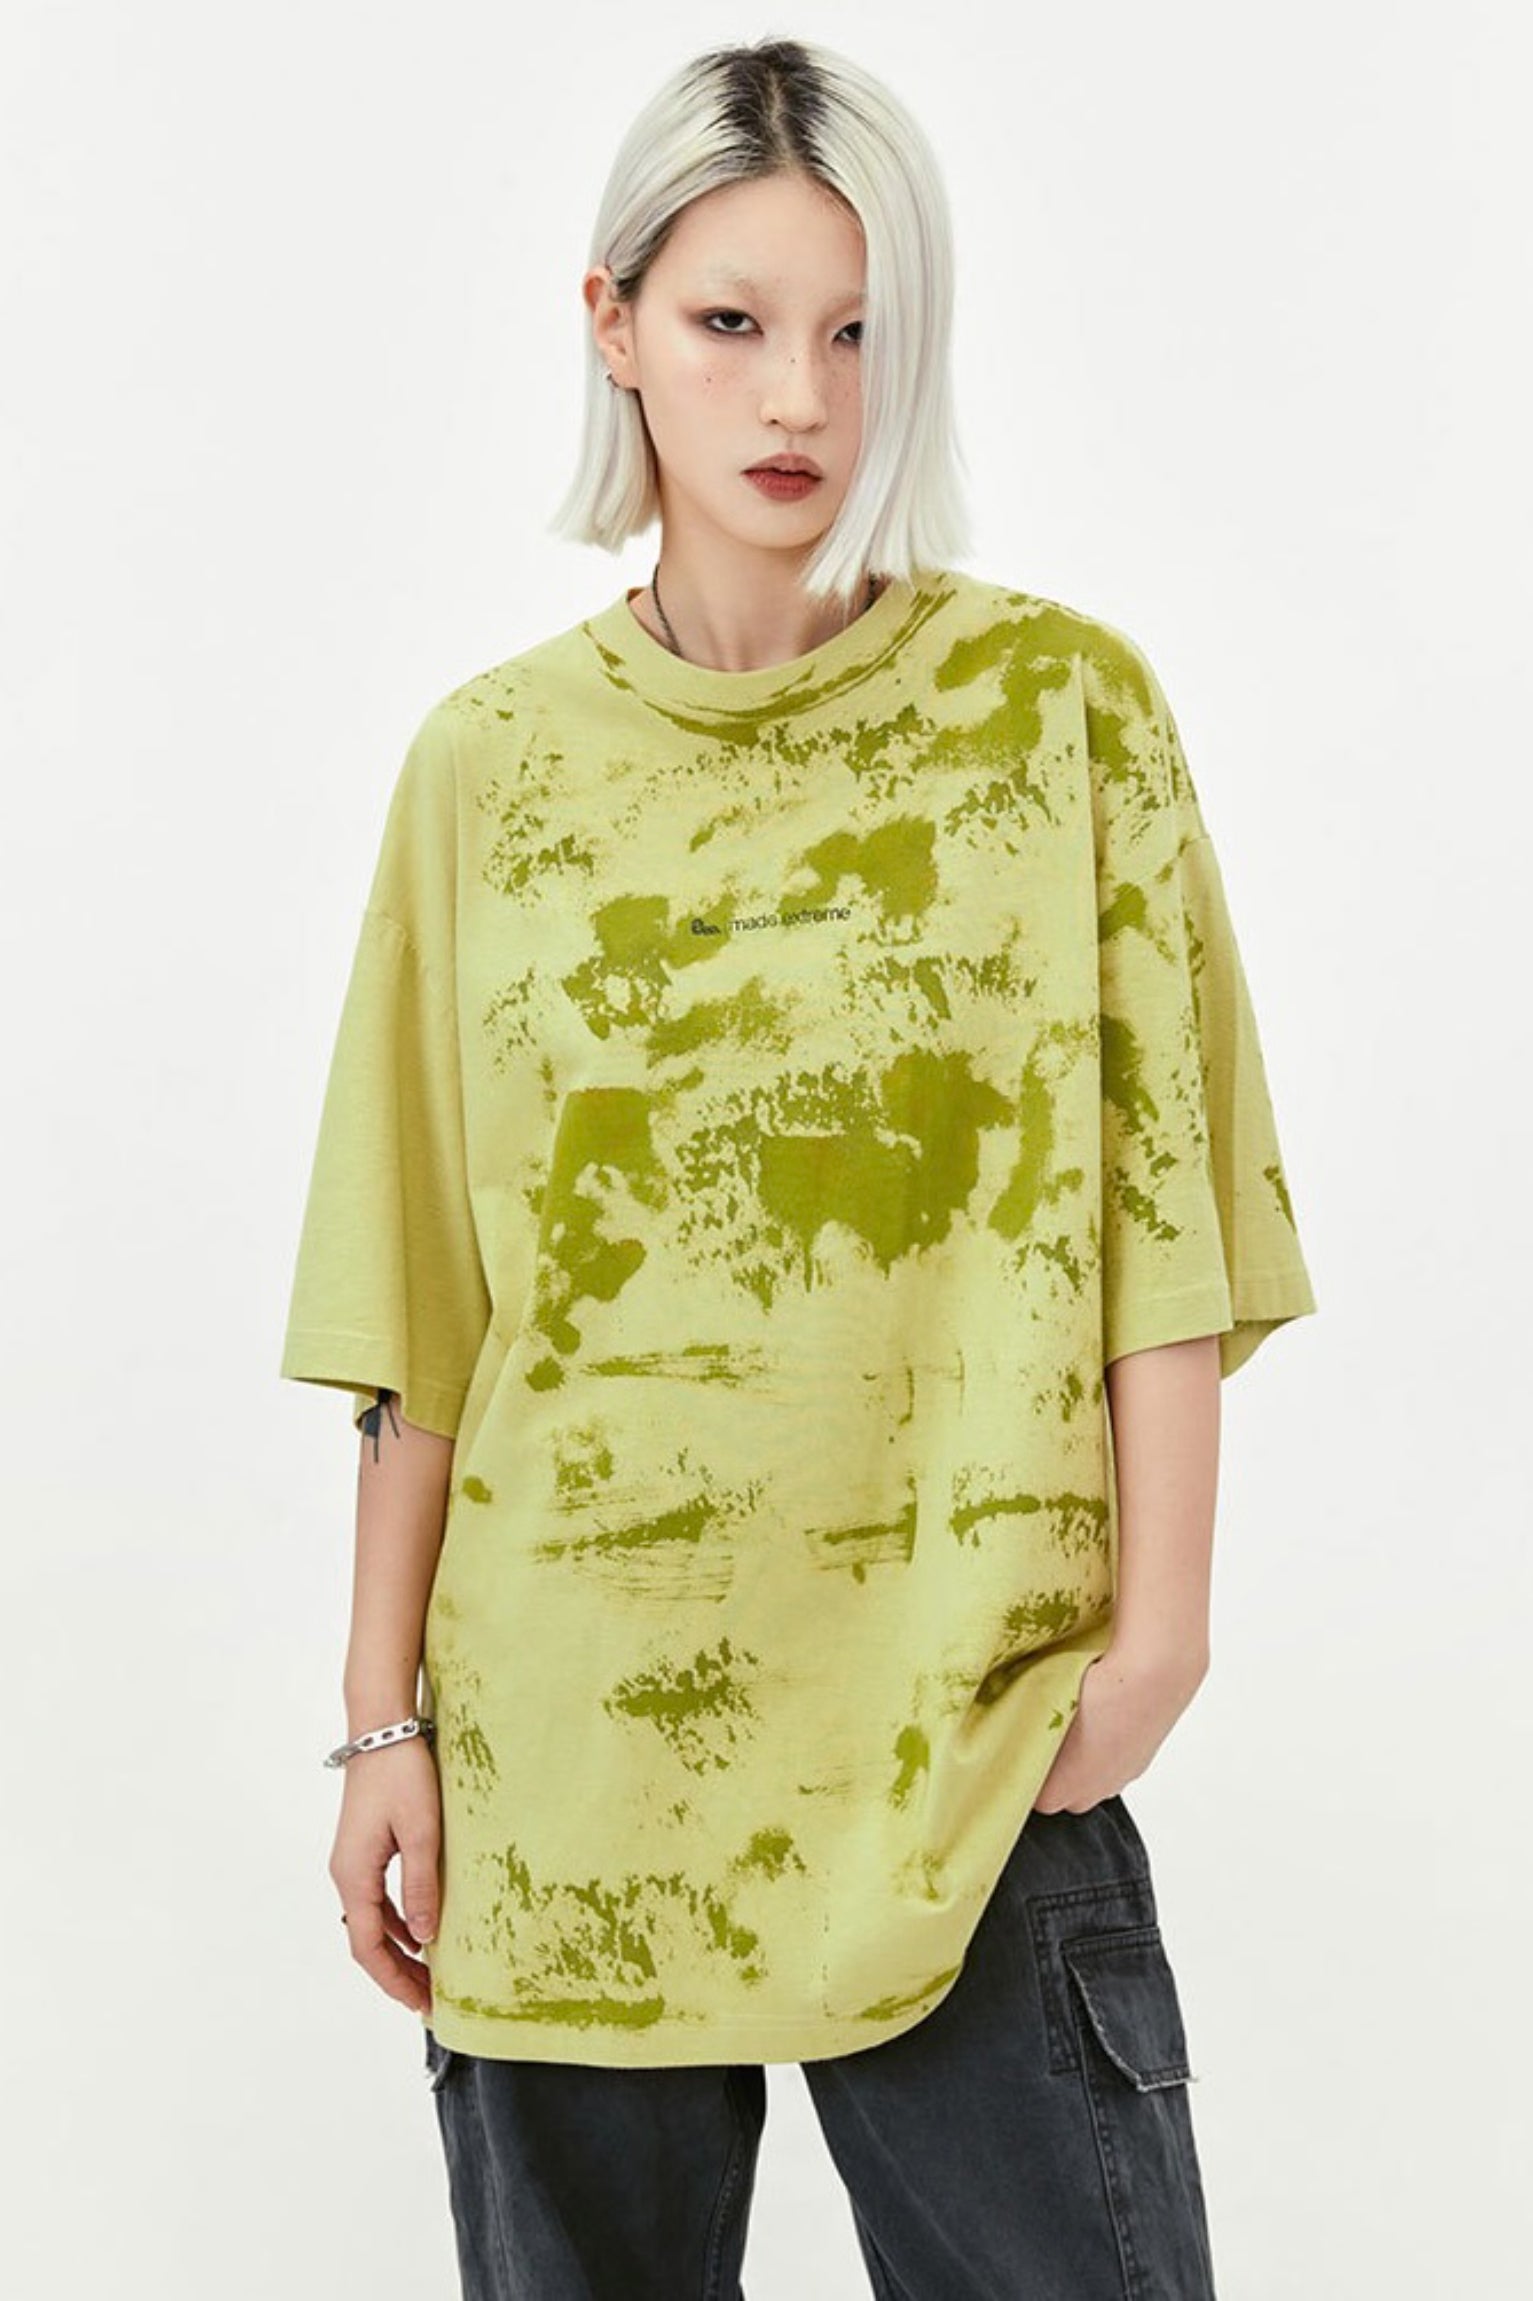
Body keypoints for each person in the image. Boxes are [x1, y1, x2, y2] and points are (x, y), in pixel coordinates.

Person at [279, 33, 1317, 2301]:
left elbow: (1163, 1204)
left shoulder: (1058, 714)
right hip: (568, 1758)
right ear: (611, 323)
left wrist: (1156, 1635)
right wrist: (380, 1718)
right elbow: (422, 1300)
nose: (796, 400)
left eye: (856, 332)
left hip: (976, 1734)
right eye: (731, 320)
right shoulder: (488, 770)